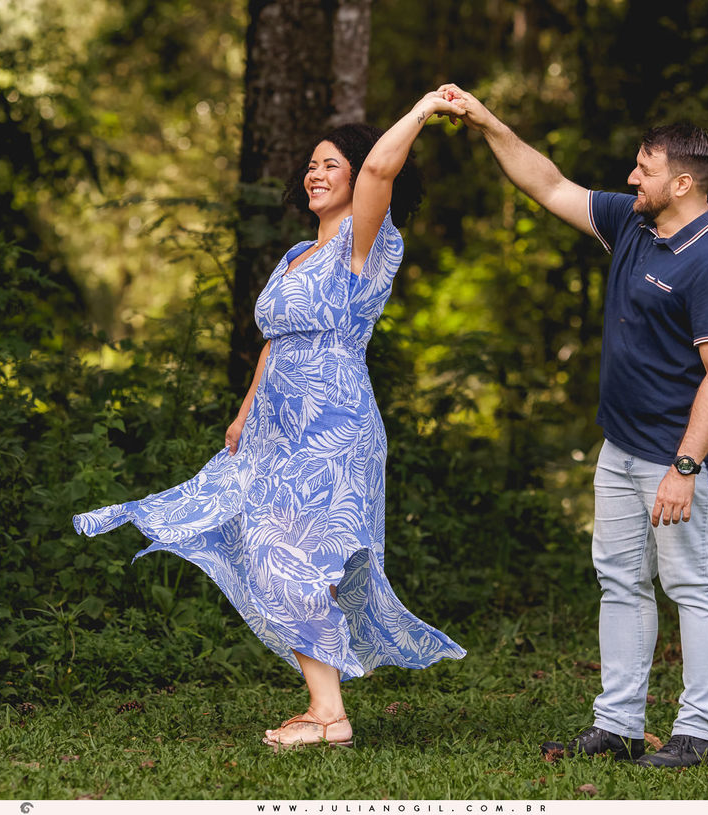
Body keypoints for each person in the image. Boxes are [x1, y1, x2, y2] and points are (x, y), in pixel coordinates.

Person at [73, 91, 469, 750]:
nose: (316, 173)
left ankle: (328, 714)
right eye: (311, 165)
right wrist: (244, 413)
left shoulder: (363, 242)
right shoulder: (294, 257)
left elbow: (379, 172)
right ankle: (324, 709)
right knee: (268, 552)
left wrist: (426, 107)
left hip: (335, 423)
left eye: (331, 165)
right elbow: (274, 342)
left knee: (299, 560)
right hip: (275, 429)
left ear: (357, 174)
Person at [440, 84, 708, 769]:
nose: (628, 178)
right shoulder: (636, 222)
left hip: (682, 461)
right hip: (622, 446)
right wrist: (487, 121)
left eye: (642, 170)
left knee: (693, 583)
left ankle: (697, 733)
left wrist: (686, 467)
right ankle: (616, 722)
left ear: (679, 182)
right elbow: (548, 184)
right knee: (620, 579)